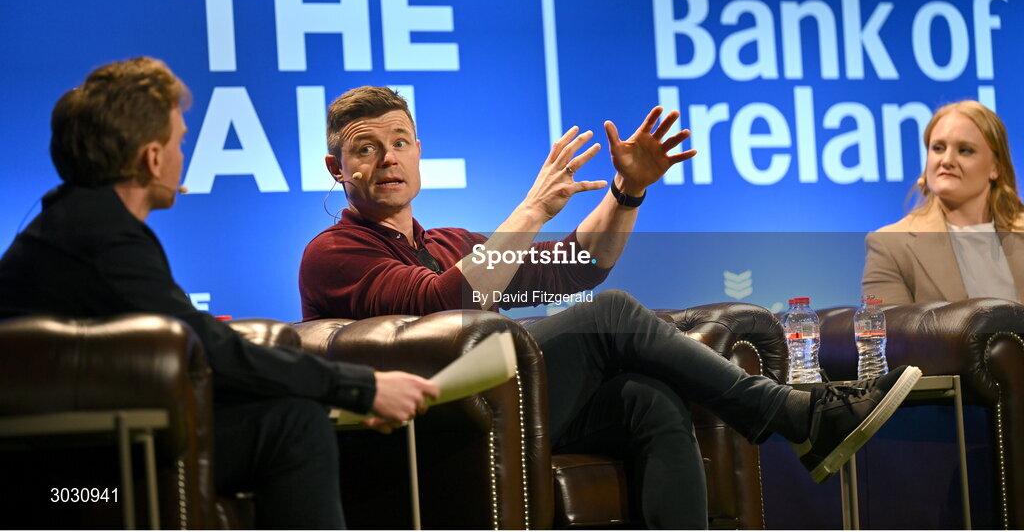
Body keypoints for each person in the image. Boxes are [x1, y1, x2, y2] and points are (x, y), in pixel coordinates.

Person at [300, 85, 922, 529]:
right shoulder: (332, 252)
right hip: (427, 428)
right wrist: (533, 210)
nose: (387, 158)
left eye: (400, 141)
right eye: (365, 149)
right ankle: (791, 414)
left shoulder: (449, 245)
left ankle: (791, 425)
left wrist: (627, 192)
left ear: (418, 153)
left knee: (647, 402)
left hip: (494, 406)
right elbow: (444, 301)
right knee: (614, 313)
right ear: (337, 168)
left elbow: (578, 266)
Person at [0, 58, 439, 529]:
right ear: (152, 158)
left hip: (86, 442)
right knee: (292, 426)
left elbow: (191, 344)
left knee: (287, 414)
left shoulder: (75, 223)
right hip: (67, 476)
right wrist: (361, 387)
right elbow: (209, 352)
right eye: (180, 141)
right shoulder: (102, 237)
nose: (182, 155)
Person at [863, 100, 1024, 304]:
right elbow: (891, 334)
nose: (946, 160)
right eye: (938, 148)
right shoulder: (890, 245)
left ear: (995, 168)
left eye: (965, 150)